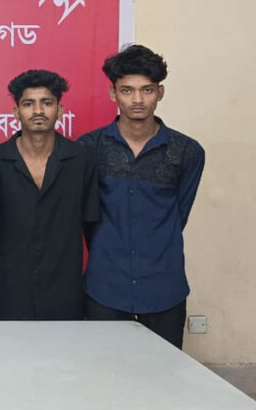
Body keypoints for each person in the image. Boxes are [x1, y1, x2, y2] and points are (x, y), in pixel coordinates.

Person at [79, 45, 205, 348]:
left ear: (160, 92)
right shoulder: (89, 148)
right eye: (127, 90)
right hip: (106, 285)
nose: (137, 100)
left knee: (164, 371)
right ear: (113, 93)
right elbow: (86, 216)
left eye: (147, 90)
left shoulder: (187, 152)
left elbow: (179, 215)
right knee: (106, 369)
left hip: (164, 286)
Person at [0, 70, 99, 320]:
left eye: (46, 102)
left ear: (60, 110)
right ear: (16, 112)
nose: (38, 111)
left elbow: (92, 228)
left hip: (64, 295)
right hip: (7, 295)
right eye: (28, 104)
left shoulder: (82, 160)